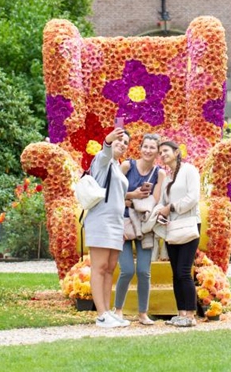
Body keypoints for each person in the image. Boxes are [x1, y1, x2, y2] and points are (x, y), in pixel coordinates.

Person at [114, 133, 167, 326]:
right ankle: (117, 310)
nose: (148, 150)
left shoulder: (159, 173)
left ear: (157, 152)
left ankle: (142, 313)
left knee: (144, 271)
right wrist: (132, 195)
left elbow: (155, 200)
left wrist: (131, 200)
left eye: (153, 147)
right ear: (140, 148)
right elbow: (113, 193)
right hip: (125, 223)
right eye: (145, 146)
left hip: (145, 226)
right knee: (127, 270)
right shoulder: (127, 166)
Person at [85, 127, 131, 328]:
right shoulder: (102, 161)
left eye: (126, 143)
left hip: (115, 222)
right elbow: (104, 154)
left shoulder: (117, 166)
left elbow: (119, 198)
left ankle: (108, 311)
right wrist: (107, 141)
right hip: (100, 221)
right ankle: (101, 313)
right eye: (119, 141)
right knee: (100, 266)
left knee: (111, 268)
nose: (122, 145)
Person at [155, 140, 201, 327]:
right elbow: (162, 202)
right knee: (175, 272)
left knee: (184, 271)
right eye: (161, 152)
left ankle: (190, 315)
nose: (163, 154)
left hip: (189, 225)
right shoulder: (167, 178)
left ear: (176, 152)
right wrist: (160, 212)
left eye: (165, 151)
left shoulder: (189, 171)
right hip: (172, 229)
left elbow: (193, 198)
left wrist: (171, 207)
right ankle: (180, 313)